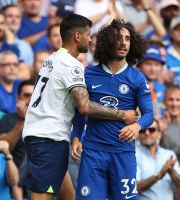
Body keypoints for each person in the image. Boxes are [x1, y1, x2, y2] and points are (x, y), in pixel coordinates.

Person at [22, 14, 138, 200]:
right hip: (48, 139)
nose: (90, 39)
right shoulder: (71, 64)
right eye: (88, 34)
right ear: (77, 36)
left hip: (45, 136)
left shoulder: (52, 59)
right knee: (43, 196)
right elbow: (84, 107)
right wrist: (122, 114)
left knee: (69, 196)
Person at [72, 19, 154, 199]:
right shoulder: (88, 74)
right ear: (107, 42)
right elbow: (80, 111)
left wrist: (137, 126)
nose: (123, 43)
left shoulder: (137, 78)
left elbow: (149, 114)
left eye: (127, 39)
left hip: (122, 153)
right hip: (93, 152)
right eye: (117, 38)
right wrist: (76, 136)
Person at [136, 120, 180, 200]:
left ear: (159, 134)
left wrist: (172, 172)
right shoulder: (134, 155)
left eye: (152, 130)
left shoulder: (169, 154)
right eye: (143, 130)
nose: (147, 133)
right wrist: (160, 174)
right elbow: (135, 187)